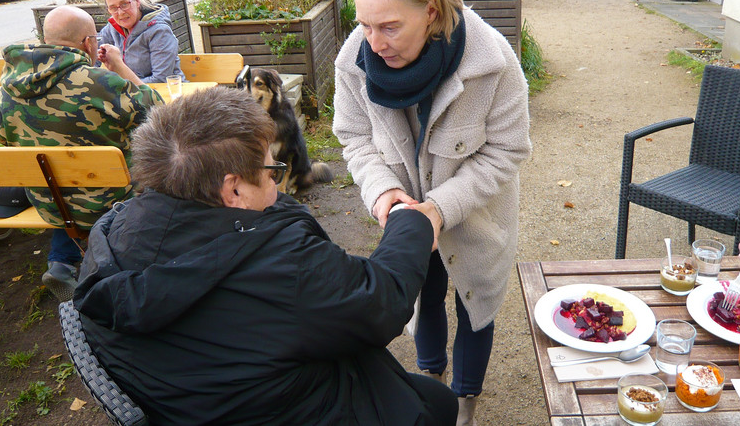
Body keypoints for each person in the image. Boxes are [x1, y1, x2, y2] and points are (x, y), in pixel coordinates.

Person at [73, 87, 458, 426]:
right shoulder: (286, 267)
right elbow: (381, 300)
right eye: (271, 170)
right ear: (233, 190)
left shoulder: (113, 232)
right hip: (292, 408)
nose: (277, 180)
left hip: (202, 401)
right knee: (438, 402)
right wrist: (412, 223)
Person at [332, 0, 531, 425]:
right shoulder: (352, 60)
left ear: (432, 10)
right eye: (363, 24)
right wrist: (384, 194)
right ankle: (432, 391)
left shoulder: (494, 63)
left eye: (390, 26)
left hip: (475, 218)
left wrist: (440, 208)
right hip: (405, 219)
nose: (373, 43)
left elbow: (507, 150)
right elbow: (355, 137)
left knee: (474, 308)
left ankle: (465, 410)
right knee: (423, 298)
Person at [0, 5, 162, 301]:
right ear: (88, 42)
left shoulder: (9, 88)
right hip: (113, 200)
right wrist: (119, 65)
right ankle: (128, 264)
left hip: (49, 202)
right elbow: (156, 110)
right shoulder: (100, 83)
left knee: (67, 189)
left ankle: (61, 262)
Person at [98, 0, 185, 83]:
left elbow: (160, 80)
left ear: (137, 1)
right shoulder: (112, 28)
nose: (120, 13)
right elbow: (92, 54)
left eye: (125, 4)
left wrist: (118, 69)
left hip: (165, 93)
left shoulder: (159, 31)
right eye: (113, 8)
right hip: (131, 93)